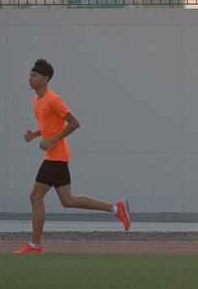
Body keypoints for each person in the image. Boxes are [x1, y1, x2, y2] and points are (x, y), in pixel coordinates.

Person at [14, 59, 130, 255]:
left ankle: (35, 245)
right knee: (68, 200)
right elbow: (49, 127)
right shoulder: (36, 100)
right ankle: (116, 208)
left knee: (35, 197)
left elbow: (75, 123)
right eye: (29, 76)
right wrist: (35, 134)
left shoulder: (53, 99)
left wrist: (51, 142)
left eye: (34, 76)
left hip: (56, 156)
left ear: (45, 78)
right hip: (57, 156)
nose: (29, 79)